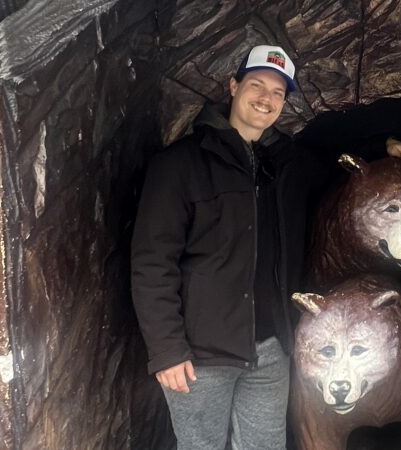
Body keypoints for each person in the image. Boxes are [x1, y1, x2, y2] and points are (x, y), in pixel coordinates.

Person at [131, 44, 309, 450]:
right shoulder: (180, 164)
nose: (266, 99)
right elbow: (152, 263)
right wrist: (166, 349)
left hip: (269, 352)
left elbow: (340, 163)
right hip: (198, 357)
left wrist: (387, 143)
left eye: (278, 93)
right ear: (233, 86)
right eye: (256, 85)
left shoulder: (283, 166)